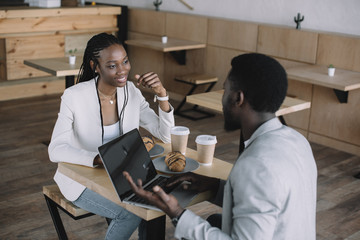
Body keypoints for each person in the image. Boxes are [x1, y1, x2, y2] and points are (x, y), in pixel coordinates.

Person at [124, 53, 318, 239]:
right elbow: (266, 201)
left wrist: (176, 212)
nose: (223, 97)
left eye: (225, 90)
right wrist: (215, 186)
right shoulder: (298, 140)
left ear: (238, 98)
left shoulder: (255, 165)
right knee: (215, 221)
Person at [48, 32, 175, 239]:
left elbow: (165, 135)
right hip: (81, 180)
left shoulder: (132, 92)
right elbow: (55, 150)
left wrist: (161, 94)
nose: (122, 70)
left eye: (125, 61)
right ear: (94, 66)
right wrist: (97, 159)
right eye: (112, 65)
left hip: (122, 176)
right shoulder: (74, 96)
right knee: (130, 216)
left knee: (155, 204)